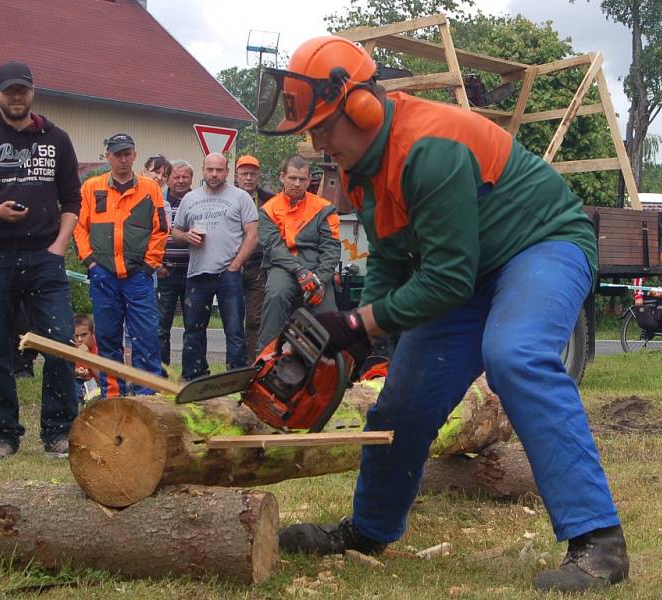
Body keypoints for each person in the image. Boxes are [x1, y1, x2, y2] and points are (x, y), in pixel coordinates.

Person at [257, 37, 629, 593]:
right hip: (468, 269)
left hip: (542, 243)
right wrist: (359, 335)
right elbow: (388, 256)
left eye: (323, 128)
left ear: (360, 107)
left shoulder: (428, 147)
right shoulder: (360, 167)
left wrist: (356, 324)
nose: (315, 144)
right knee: (403, 399)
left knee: (515, 353)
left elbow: (446, 278)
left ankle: (598, 541)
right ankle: (369, 529)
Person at [0, 61, 80, 459]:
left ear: (33, 92)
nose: (16, 96)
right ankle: (3, 434)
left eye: (22, 90)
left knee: (60, 341)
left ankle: (57, 431)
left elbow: (72, 200)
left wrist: (59, 245)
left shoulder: (57, 139)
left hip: (45, 256)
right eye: (9, 91)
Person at [74, 133, 167, 397]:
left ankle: (145, 397)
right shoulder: (91, 188)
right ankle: (112, 396)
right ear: (108, 157)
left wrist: (150, 264)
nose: (123, 159)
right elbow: (80, 227)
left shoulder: (150, 189)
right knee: (107, 338)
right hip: (103, 275)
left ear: (135, 155)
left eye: (127, 153)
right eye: (117, 154)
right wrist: (90, 262)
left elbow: (160, 230)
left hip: (139, 276)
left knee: (146, 337)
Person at [171, 153, 258, 381]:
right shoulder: (190, 199)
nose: (214, 174)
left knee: (234, 329)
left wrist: (236, 264)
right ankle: (194, 376)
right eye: (210, 169)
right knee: (193, 329)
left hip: (228, 272)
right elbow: (175, 231)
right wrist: (186, 236)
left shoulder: (241, 197)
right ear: (203, 170)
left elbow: (252, 235)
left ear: (227, 171)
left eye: (219, 170)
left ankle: (235, 377)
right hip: (198, 271)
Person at [257, 155, 340, 352]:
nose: (297, 183)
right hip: (283, 266)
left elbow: (332, 248)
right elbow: (273, 247)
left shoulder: (324, 208)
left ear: (309, 180)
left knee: (328, 315)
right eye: (292, 178)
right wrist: (299, 271)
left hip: (317, 266)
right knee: (276, 294)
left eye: (302, 179)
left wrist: (321, 281)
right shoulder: (268, 209)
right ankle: (266, 356)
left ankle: (329, 366)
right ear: (282, 177)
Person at [235, 154, 274, 362]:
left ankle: (251, 364)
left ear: (258, 175)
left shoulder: (270, 199)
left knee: (254, 319)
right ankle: (233, 363)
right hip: (230, 263)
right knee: (232, 320)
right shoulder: (225, 196)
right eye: (244, 174)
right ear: (237, 176)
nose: (248, 178)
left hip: (258, 265)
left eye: (252, 174)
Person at [157, 160, 194, 372]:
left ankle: (191, 374)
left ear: (191, 178)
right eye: (176, 176)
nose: (180, 181)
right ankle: (161, 376)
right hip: (165, 272)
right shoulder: (157, 201)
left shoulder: (199, 200)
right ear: (168, 178)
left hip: (192, 273)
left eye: (185, 177)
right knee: (161, 329)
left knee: (193, 327)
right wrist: (156, 265)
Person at [73, 313, 100, 404]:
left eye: (84, 335)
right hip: (81, 383)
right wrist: (77, 372)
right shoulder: (73, 347)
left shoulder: (99, 347)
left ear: (93, 333)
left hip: (97, 384)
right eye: (76, 336)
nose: (80, 339)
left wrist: (88, 358)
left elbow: (102, 377)